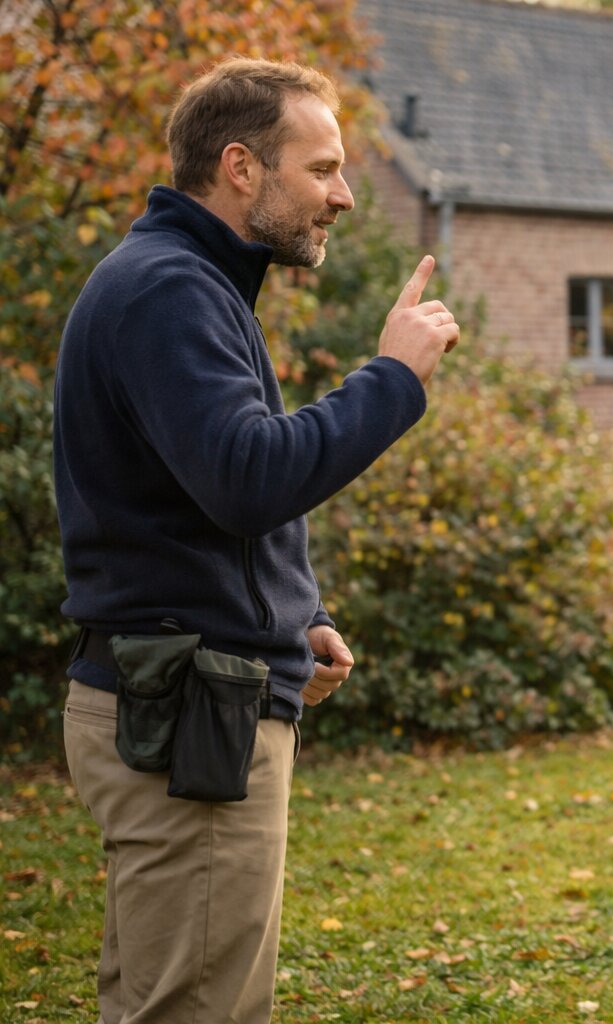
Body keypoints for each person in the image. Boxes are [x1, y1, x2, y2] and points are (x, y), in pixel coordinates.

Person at [53, 57, 460, 1023]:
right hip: (189, 722)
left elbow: (191, 495)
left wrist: (292, 615)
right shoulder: (168, 290)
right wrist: (393, 378)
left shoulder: (188, 283)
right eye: (320, 169)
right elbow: (246, 477)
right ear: (241, 166)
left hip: (196, 700)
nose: (345, 195)